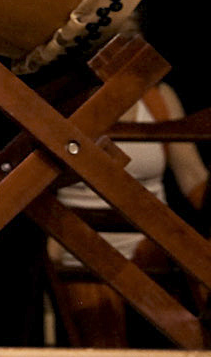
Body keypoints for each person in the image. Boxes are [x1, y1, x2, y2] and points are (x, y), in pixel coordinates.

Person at [46, 81, 209, 348]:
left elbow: (192, 175)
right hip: (82, 251)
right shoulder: (66, 95)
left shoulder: (157, 97)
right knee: (101, 341)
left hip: (153, 249)